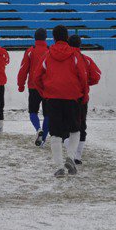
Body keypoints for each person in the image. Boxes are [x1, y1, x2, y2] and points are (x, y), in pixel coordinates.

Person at [33, 25, 88, 177]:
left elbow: (36, 77)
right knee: (75, 130)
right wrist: (84, 94)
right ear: (67, 37)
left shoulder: (47, 55)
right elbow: (83, 76)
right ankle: (70, 157)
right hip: (72, 97)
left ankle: (59, 166)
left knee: (55, 133)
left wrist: (45, 92)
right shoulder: (75, 55)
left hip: (53, 98)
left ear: (54, 38)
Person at [65, 35, 102, 165]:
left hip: (65, 96)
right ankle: (77, 156)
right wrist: (85, 84)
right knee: (81, 125)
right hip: (81, 97)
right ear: (80, 45)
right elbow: (96, 76)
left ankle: (70, 153)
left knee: (65, 126)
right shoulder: (86, 60)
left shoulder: (65, 60)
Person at [18, 28, 50, 146]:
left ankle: (38, 129)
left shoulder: (30, 51)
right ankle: (43, 140)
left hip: (33, 86)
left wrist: (20, 85)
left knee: (33, 111)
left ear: (35, 38)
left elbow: (23, 69)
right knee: (48, 114)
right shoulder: (50, 51)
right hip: (47, 88)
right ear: (46, 38)